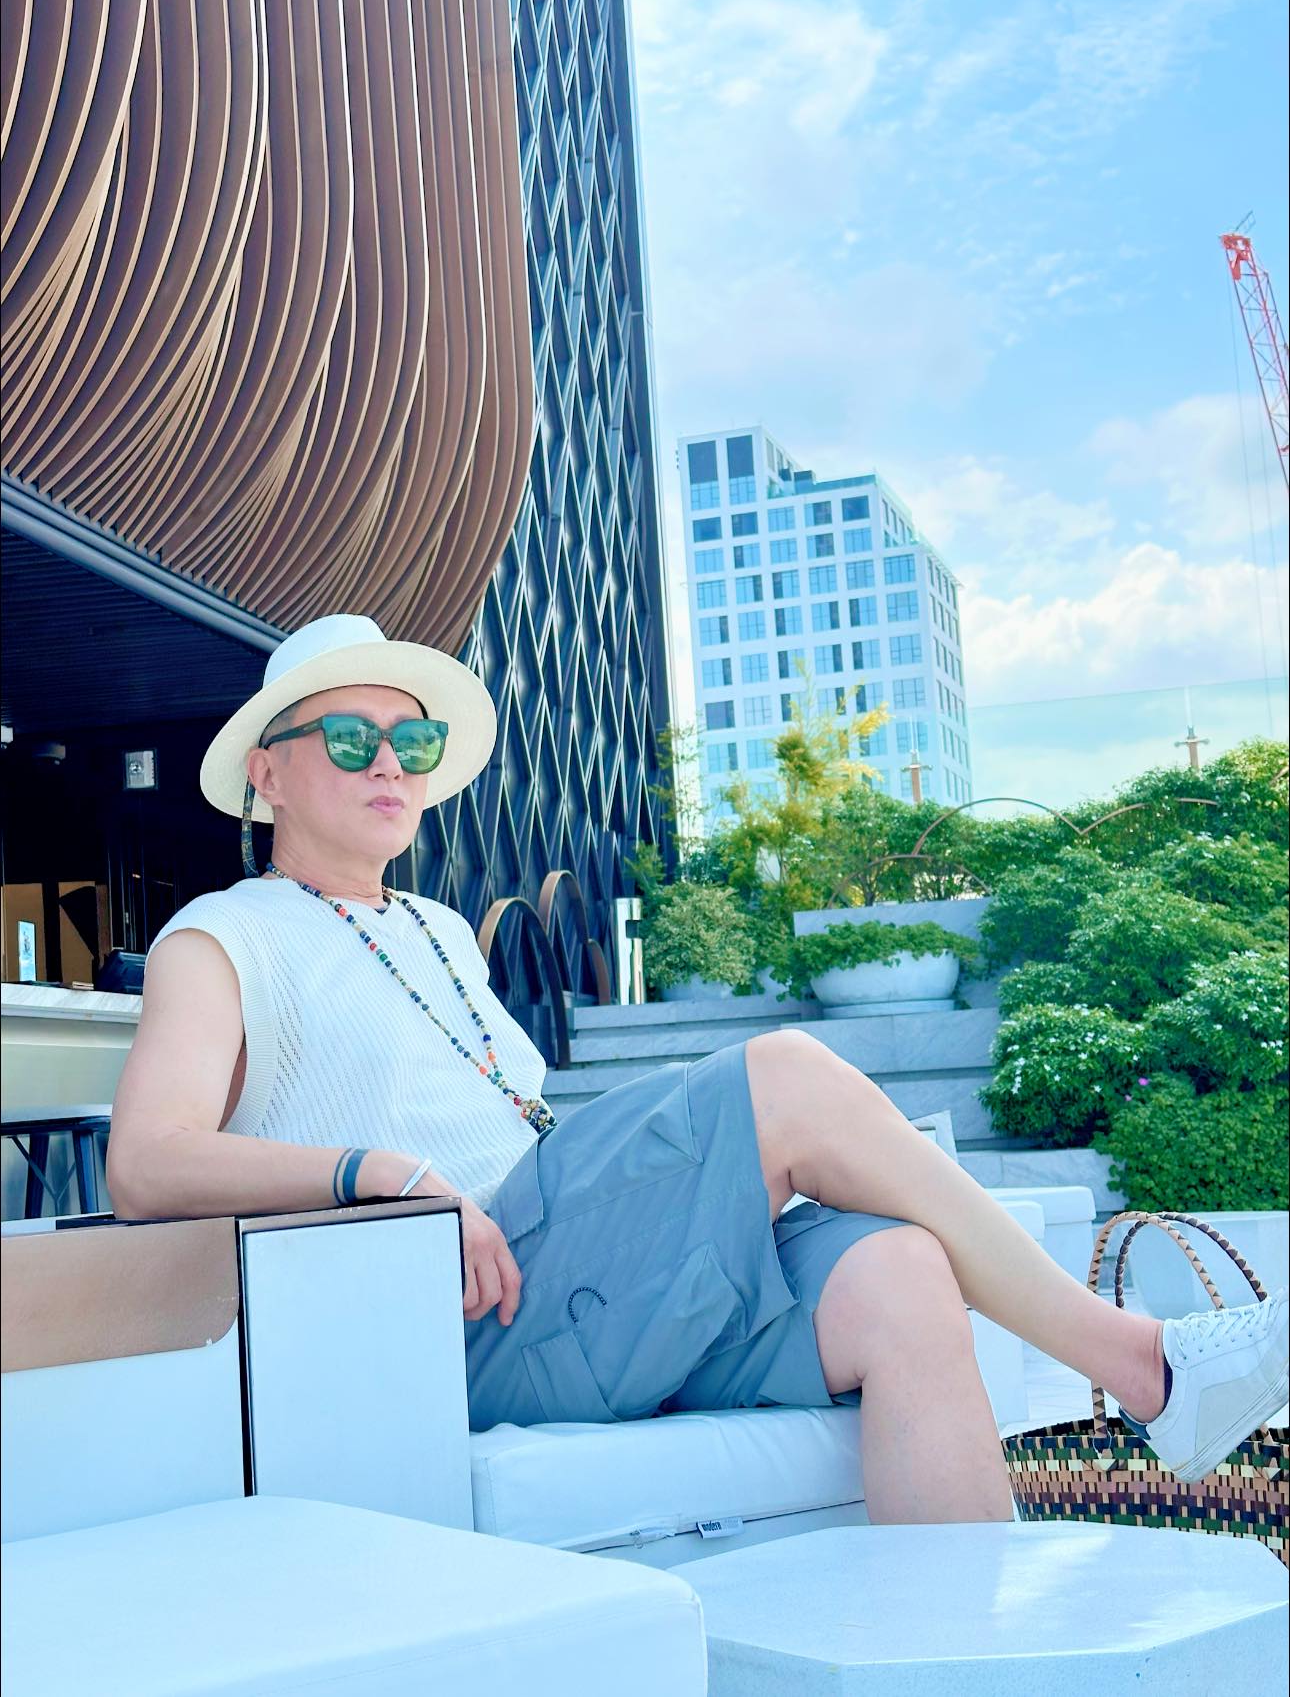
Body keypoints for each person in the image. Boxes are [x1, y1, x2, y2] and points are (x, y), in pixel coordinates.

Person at [108, 614, 1289, 1525]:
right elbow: (146, 1164)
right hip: (449, 1309)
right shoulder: (223, 937)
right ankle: (1142, 1365)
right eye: (350, 740)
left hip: (573, 1280)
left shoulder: (441, 931)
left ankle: (966, 1662)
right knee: (788, 1075)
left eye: (412, 742)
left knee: (900, 1274)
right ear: (268, 773)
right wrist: (384, 1173)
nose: (391, 764)